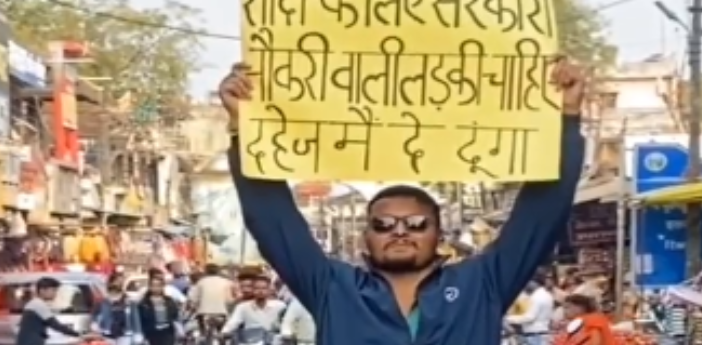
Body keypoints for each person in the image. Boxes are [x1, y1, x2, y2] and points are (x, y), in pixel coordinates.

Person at [217, 57, 586, 345]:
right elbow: (273, 220)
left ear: (438, 233)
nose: (400, 231)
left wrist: (567, 120)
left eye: (415, 224)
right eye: (384, 224)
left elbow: (541, 215)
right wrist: (243, 127)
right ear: (367, 237)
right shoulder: (333, 287)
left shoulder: (482, 283)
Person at [14, 277, 96, 345]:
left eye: (56, 290)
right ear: (42, 291)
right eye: (53, 290)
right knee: (75, 341)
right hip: (33, 342)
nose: (55, 293)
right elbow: (56, 325)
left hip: (30, 341)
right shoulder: (38, 304)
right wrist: (80, 335)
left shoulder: (34, 303)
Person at [221, 275, 285, 341]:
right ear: (252, 290)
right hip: (251, 340)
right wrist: (225, 332)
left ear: (269, 290)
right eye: (257, 288)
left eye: (264, 288)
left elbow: (286, 323)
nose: (260, 291)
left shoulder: (280, 306)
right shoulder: (243, 307)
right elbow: (233, 322)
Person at [506, 274, 556, 345]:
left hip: (535, 334)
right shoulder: (546, 294)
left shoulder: (537, 297)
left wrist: (508, 319)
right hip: (540, 332)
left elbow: (529, 317)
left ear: (534, 282)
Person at [92, 277, 143, 345]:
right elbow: (96, 314)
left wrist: (138, 332)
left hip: (124, 334)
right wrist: (95, 322)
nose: (114, 293)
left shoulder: (129, 302)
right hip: (108, 334)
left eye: (116, 290)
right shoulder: (103, 302)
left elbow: (135, 318)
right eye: (112, 290)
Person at [136, 274, 182, 345]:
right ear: (150, 287)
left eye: (158, 285)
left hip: (167, 333)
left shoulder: (169, 301)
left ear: (162, 286)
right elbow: (140, 321)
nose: (156, 288)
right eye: (153, 285)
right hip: (152, 334)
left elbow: (175, 316)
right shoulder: (144, 303)